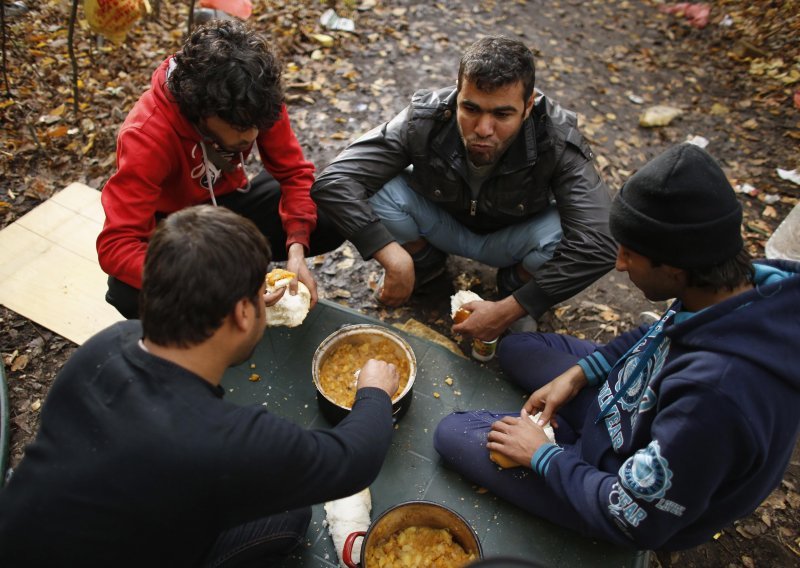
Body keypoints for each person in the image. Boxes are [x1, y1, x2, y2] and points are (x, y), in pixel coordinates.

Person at [433, 143, 800, 550]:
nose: (619, 265)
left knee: (454, 433)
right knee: (517, 348)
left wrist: (544, 456)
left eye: (629, 254)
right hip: (628, 413)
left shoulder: (715, 398)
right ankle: (573, 430)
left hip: (626, 492)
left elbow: (633, 516)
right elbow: (658, 335)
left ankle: (572, 447)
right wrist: (576, 376)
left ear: (675, 268)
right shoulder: (728, 285)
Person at [0, 205, 399, 566]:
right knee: (290, 517)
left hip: (28, 538)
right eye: (256, 296)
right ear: (243, 313)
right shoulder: (223, 440)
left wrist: (240, 296)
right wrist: (374, 392)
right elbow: (352, 461)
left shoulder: (105, 345)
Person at [311, 35, 617, 338]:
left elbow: (602, 244)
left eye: (502, 114)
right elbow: (335, 180)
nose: (483, 129)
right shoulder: (424, 119)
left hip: (514, 239)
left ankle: (515, 286)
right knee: (378, 186)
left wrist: (515, 306)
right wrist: (393, 257)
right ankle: (424, 264)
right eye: (471, 109)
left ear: (528, 106)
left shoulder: (557, 139)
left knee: (572, 233)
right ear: (458, 95)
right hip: (442, 223)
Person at [96, 19, 343, 319]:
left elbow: (294, 173)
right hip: (175, 228)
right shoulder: (147, 134)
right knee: (128, 292)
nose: (252, 136)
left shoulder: (255, 98)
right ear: (201, 111)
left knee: (327, 208)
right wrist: (216, 288)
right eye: (240, 128)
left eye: (257, 126)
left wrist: (296, 248)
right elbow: (117, 245)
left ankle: (234, 270)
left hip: (227, 203)